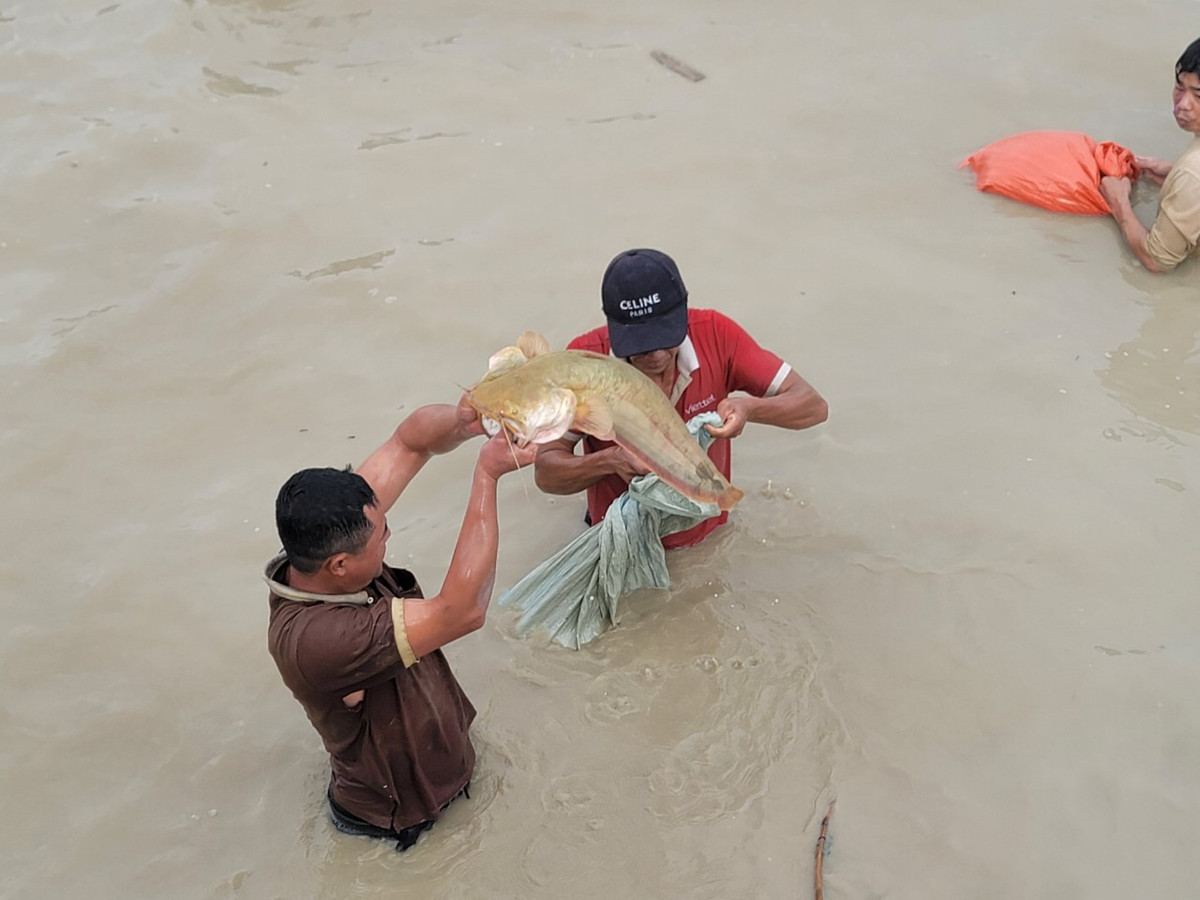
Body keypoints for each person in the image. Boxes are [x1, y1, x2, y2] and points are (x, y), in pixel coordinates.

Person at [264, 396, 535, 850]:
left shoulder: (327, 537)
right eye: (381, 537)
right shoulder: (321, 640)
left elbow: (411, 442)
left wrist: (468, 420)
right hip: (395, 822)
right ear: (339, 566)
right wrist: (487, 476)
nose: (388, 535)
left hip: (446, 764)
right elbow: (462, 610)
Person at [534, 248, 828, 549]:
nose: (658, 356)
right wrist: (610, 461)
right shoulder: (585, 363)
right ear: (615, 330)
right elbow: (546, 473)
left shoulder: (717, 333)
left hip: (708, 537)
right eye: (643, 346)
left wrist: (749, 408)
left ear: (683, 314)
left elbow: (813, 407)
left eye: (666, 338)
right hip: (621, 540)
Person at [1100, 37, 1200, 273]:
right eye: (1179, 87)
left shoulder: (1193, 175)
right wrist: (1172, 173)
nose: (1182, 104)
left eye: (1199, 96)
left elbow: (1157, 260)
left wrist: (1119, 204)